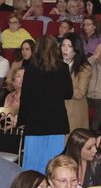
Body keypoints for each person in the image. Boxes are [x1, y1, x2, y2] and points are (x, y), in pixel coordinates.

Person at [19, 35, 73, 173]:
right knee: (53, 165)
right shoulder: (63, 67)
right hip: (56, 121)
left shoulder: (31, 68)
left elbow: (25, 96)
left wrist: (22, 120)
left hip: (35, 122)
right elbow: (68, 94)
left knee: (32, 166)